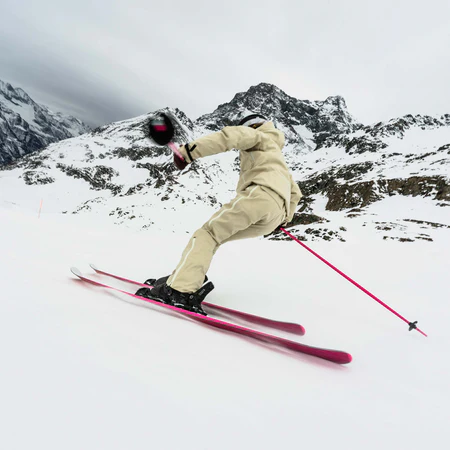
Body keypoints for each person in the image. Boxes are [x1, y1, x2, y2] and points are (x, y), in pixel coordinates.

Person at [136, 113, 302, 315]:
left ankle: (179, 290)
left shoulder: (257, 135)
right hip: (275, 215)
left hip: (258, 196)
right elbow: (295, 192)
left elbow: (228, 137)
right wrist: (283, 219)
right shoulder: (277, 155)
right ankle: (184, 277)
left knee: (207, 235)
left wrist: (186, 153)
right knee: (215, 238)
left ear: (251, 126)